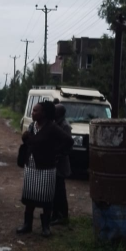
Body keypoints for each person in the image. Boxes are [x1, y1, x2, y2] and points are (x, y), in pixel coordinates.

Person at [17, 101, 73, 237]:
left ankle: (46, 227)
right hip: (31, 166)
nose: (33, 112)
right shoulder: (32, 126)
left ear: (44, 113)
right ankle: (27, 224)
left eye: (36, 111)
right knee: (30, 196)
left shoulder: (52, 127)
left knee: (46, 198)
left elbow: (68, 141)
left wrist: (56, 153)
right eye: (33, 110)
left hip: (47, 168)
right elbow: (32, 142)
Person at [52, 104, 72, 225]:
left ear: (60, 113)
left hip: (61, 163)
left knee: (60, 191)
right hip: (56, 162)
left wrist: (58, 154)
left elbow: (68, 145)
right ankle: (56, 215)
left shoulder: (65, 126)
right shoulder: (56, 123)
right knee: (55, 191)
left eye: (55, 111)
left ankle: (62, 216)